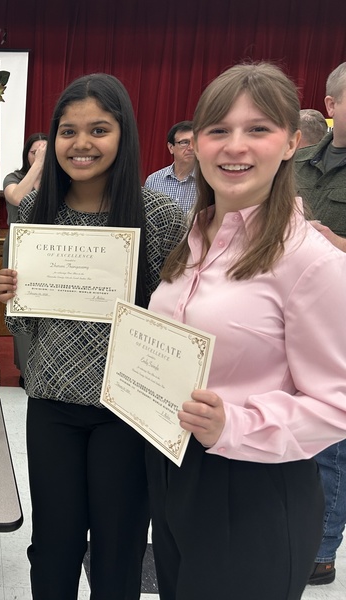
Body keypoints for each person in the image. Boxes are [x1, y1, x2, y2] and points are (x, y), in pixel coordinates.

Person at [147, 62, 346, 600]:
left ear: (292, 143)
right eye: (218, 129)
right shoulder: (195, 236)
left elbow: (337, 405)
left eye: (258, 129)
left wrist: (234, 425)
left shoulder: (311, 261)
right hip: (175, 468)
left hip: (253, 486)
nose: (235, 146)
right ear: (196, 143)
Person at [0, 74, 185, 599]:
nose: (82, 144)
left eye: (99, 130)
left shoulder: (160, 217)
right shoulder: (36, 210)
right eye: (68, 131)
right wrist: (12, 296)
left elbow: (177, 317)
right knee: (52, 546)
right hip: (52, 403)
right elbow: (24, 325)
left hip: (126, 410)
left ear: (124, 135)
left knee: (119, 549)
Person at [295, 61, 346, 586]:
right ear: (331, 105)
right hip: (291, 313)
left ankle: (322, 549)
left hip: (341, 322)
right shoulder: (297, 161)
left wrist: (335, 245)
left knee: (332, 444)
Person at [2, 132, 47, 386]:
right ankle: (26, 371)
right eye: (35, 151)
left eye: (45, 151)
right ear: (26, 154)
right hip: (19, 246)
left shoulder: (60, 179)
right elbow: (18, 198)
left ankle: (45, 367)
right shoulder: (14, 178)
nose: (40, 155)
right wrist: (38, 165)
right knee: (20, 306)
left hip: (49, 247)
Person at [145, 121, 197, 213]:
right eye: (184, 142)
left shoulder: (207, 181)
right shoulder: (153, 180)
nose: (191, 147)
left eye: (195, 142)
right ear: (171, 147)